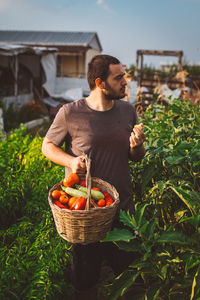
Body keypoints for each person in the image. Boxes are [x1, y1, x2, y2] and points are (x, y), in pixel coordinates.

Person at [42, 54, 146, 299]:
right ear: (100, 83)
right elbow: (47, 146)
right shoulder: (70, 113)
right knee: (86, 284)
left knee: (131, 279)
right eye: (118, 77)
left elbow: (136, 157)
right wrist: (70, 160)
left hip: (122, 211)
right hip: (85, 216)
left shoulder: (128, 111)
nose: (125, 82)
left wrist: (138, 145)